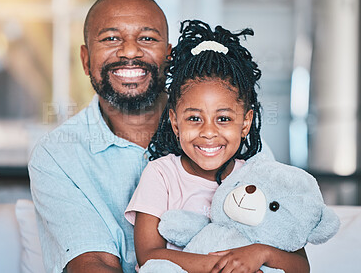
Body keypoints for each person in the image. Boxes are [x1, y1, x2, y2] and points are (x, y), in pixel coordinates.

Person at [125, 20, 310, 273]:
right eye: (194, 118)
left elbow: (301, 266)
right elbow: (149, 256)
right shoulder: (161, 175)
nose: (209, 132)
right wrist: (224, 267)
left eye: (223, 119)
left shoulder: (260, 177)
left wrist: (260, 253)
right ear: (175, 123)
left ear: (246, 123)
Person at [28, 0, 172, 273]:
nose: (130, 51)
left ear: (169, 57)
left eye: (147, 38)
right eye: (110, 38)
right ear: (85, 59)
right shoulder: (56, 155)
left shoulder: (221, 132)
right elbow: (94, 263)